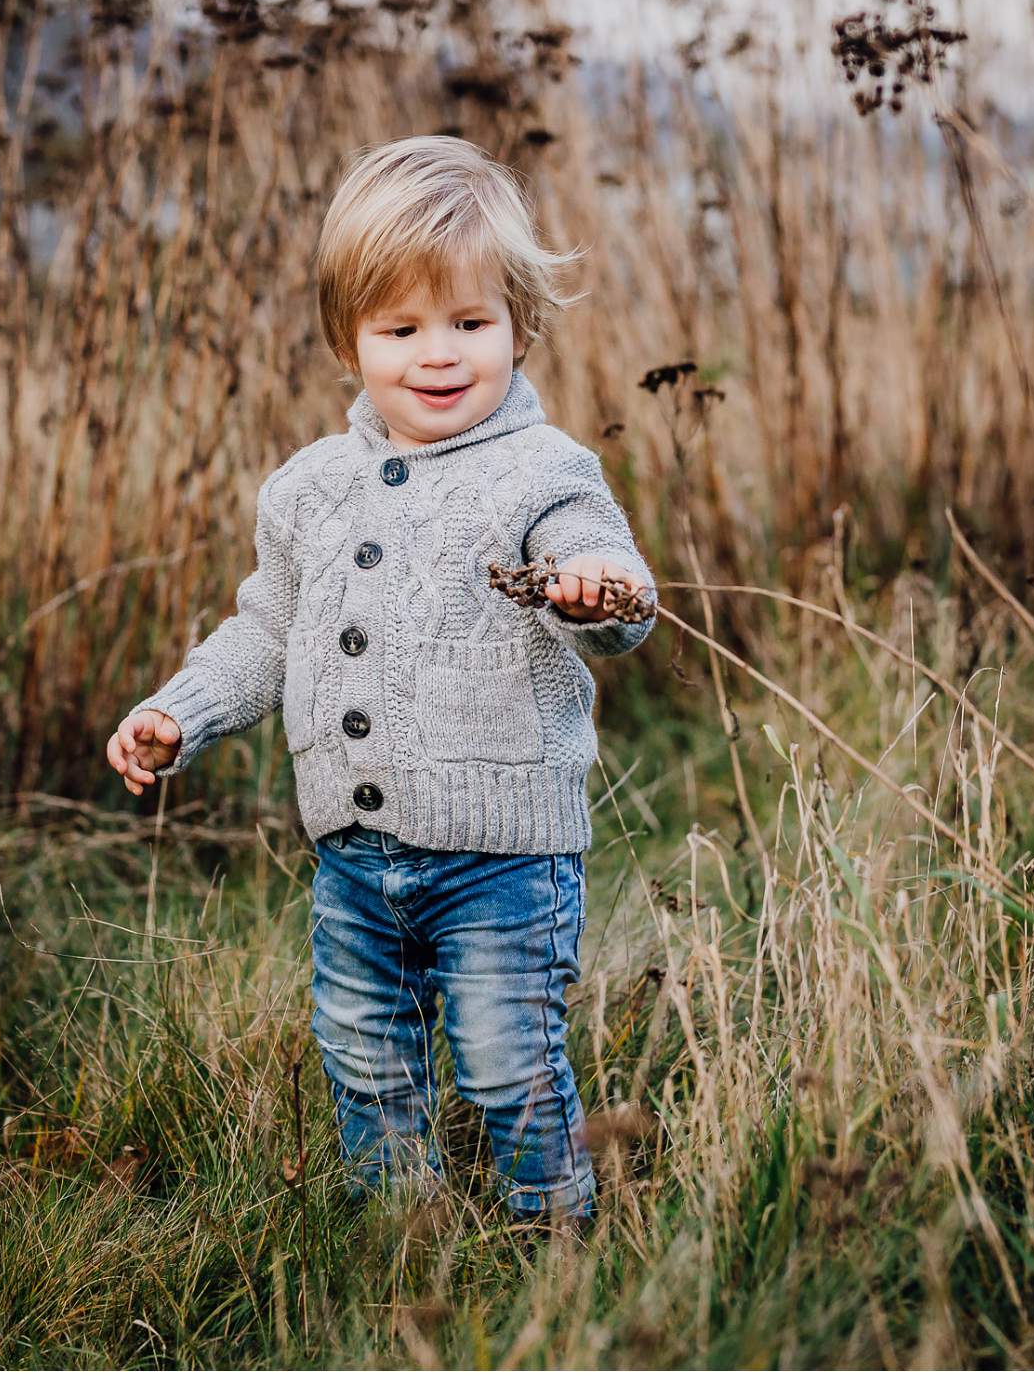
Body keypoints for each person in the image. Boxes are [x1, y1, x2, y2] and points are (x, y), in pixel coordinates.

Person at [106, 135, 657, 1231]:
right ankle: (404, 1241)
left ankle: (561, 1240)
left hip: (504, 854)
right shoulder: (310, 487)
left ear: (520, 325)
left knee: (506, 1062)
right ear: (348, 338)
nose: (437, 354)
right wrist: (181, 707)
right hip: (353, 856)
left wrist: (602, 589)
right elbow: (267, 626)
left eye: (469, 323)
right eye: (399, 329)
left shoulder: (544, 471)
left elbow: (614, 576)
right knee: (365, 1056)